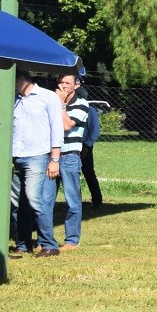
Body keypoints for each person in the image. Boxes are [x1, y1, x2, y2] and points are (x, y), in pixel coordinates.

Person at [9, 73, 65, 257]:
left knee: (34, 200)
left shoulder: (48, 97)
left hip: (37, 157)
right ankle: (23, 244)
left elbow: (57, 128)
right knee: (18, 204)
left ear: (21, 79)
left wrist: (54, 160)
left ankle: (49, 244)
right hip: (16, 157)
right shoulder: (13, 100)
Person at [54, 72, 92, 248]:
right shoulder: (53, 101)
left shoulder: (82, 104)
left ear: (76, 85)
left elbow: (67, 125)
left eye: (67, 83)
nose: (63, 85)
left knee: (72, 199)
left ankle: (71, 240)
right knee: (45, 199)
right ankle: (45, 240)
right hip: (51, 156)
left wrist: (61, 105)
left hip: (70, 156)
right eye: (61, 82)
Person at [76, 79, 105, 208]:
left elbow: (95, 131)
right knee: (70, 174)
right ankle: (75, 201)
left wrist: (86, 146)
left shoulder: (90, 110)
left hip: (84, 145)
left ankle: (97, 201)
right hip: (71, 144)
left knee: (88, 173)